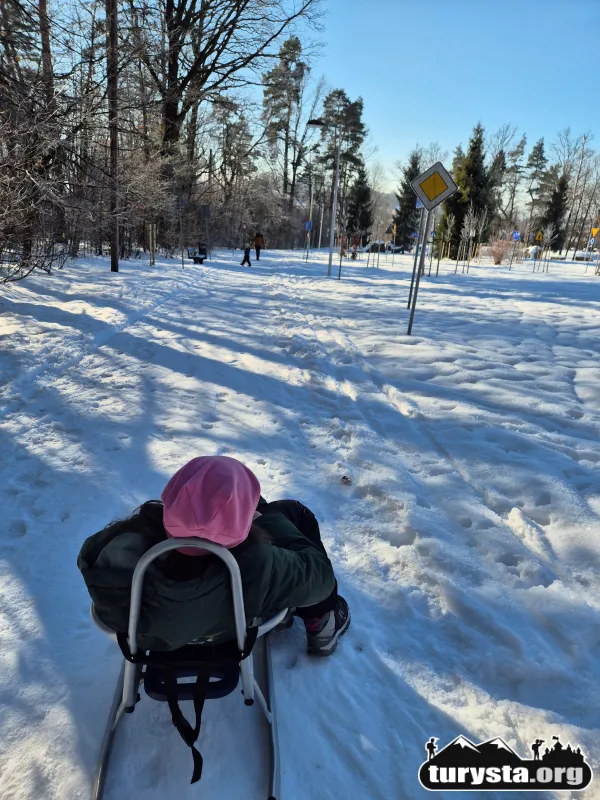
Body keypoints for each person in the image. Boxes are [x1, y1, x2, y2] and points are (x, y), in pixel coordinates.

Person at [78, 456, 350, 656]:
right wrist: (265, 519)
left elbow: (96, 572)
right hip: (231, 629)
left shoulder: (123, 554)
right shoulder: (258, 561)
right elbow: (321, 576)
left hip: (157, 637)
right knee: (294, 513)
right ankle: (322, 621)